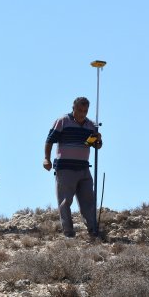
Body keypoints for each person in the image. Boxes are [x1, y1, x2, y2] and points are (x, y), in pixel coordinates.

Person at [43, 97, 103, 238]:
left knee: (88, 200)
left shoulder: (91, 125)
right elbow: (50, 140)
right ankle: (69, 233)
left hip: (83, 168)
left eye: (85, 111)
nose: (82, 113)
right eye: (80, 110)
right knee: (65, 202)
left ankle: (93, 230)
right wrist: (46, 158)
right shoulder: (63, 121)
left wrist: (98, 139)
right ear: (73, 108)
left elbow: (95, 146)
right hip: (65, 168)